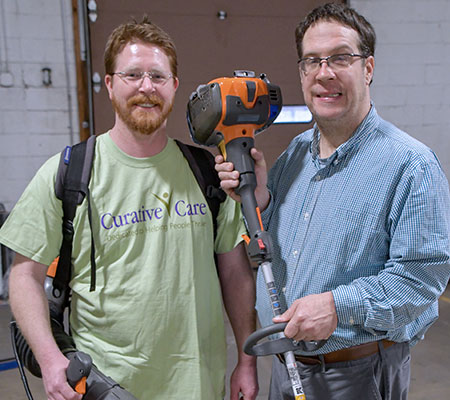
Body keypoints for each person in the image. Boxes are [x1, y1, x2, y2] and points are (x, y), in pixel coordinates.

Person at [0, 18, 259, 400]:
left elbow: (235, 272)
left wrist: (247, 359)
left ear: (173, 86)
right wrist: (50, 358)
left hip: (200, 386)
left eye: (157, 76)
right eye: (132, 74)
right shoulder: (69, 173)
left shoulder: (206, 172)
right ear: (109, 84)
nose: (145, 87)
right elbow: (24, 277)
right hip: (106, 388)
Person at [216, 3, 450, 399]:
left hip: (358, 372)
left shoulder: (410, 164)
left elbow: (421, 281)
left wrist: (339, 307)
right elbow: (277, 247)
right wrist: (262, 200)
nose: (325, 73)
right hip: (288, 364)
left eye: (341, 57)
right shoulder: (295, 154)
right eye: (312, 62)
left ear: (368, 68)